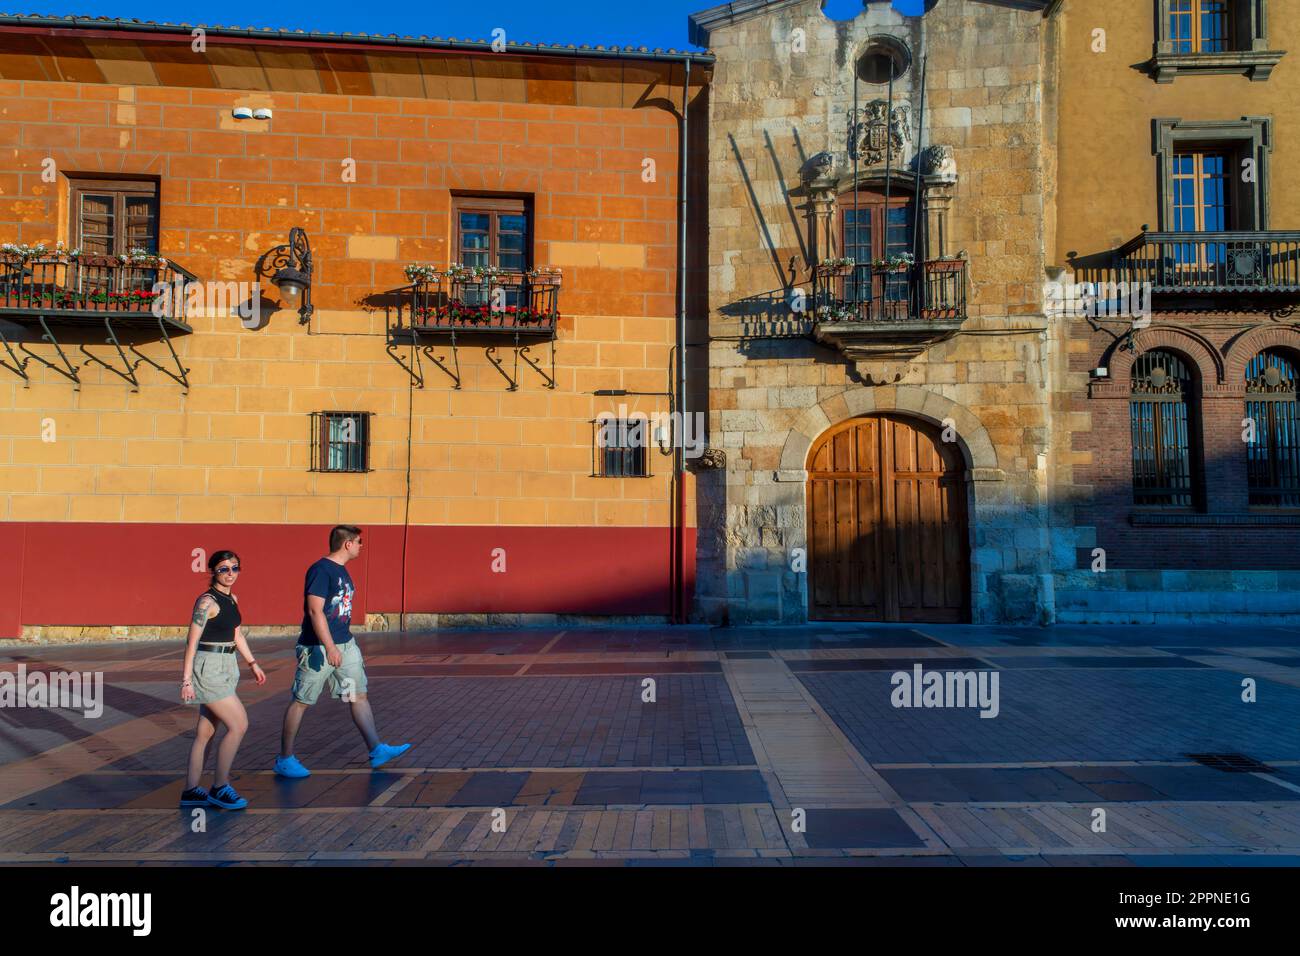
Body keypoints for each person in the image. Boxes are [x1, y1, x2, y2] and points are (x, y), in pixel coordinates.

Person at [274, 525, 410, 777]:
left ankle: (376, 749)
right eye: (359, 542)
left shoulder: (341, 570)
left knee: (356, 695)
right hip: (319, 648)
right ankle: (285, 758)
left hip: (345, 645)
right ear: (347, 544)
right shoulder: (321, 570)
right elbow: (315, 611)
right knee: (302, 701)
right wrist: (330, 647)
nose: (361, 546)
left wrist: (340, 647)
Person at [180, 550, 265, 810]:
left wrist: (252, 662)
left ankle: (192, 791)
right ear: (213, 572)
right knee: (239, 725)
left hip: (227, 665)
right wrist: (186, 680)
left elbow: (236, 635)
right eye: (223, 569)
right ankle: (219, 787)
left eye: (234, 568)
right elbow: (191, 641)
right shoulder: (206, 602)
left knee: (205, 732)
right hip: (209, 668)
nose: (230, 574)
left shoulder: (232, 598)